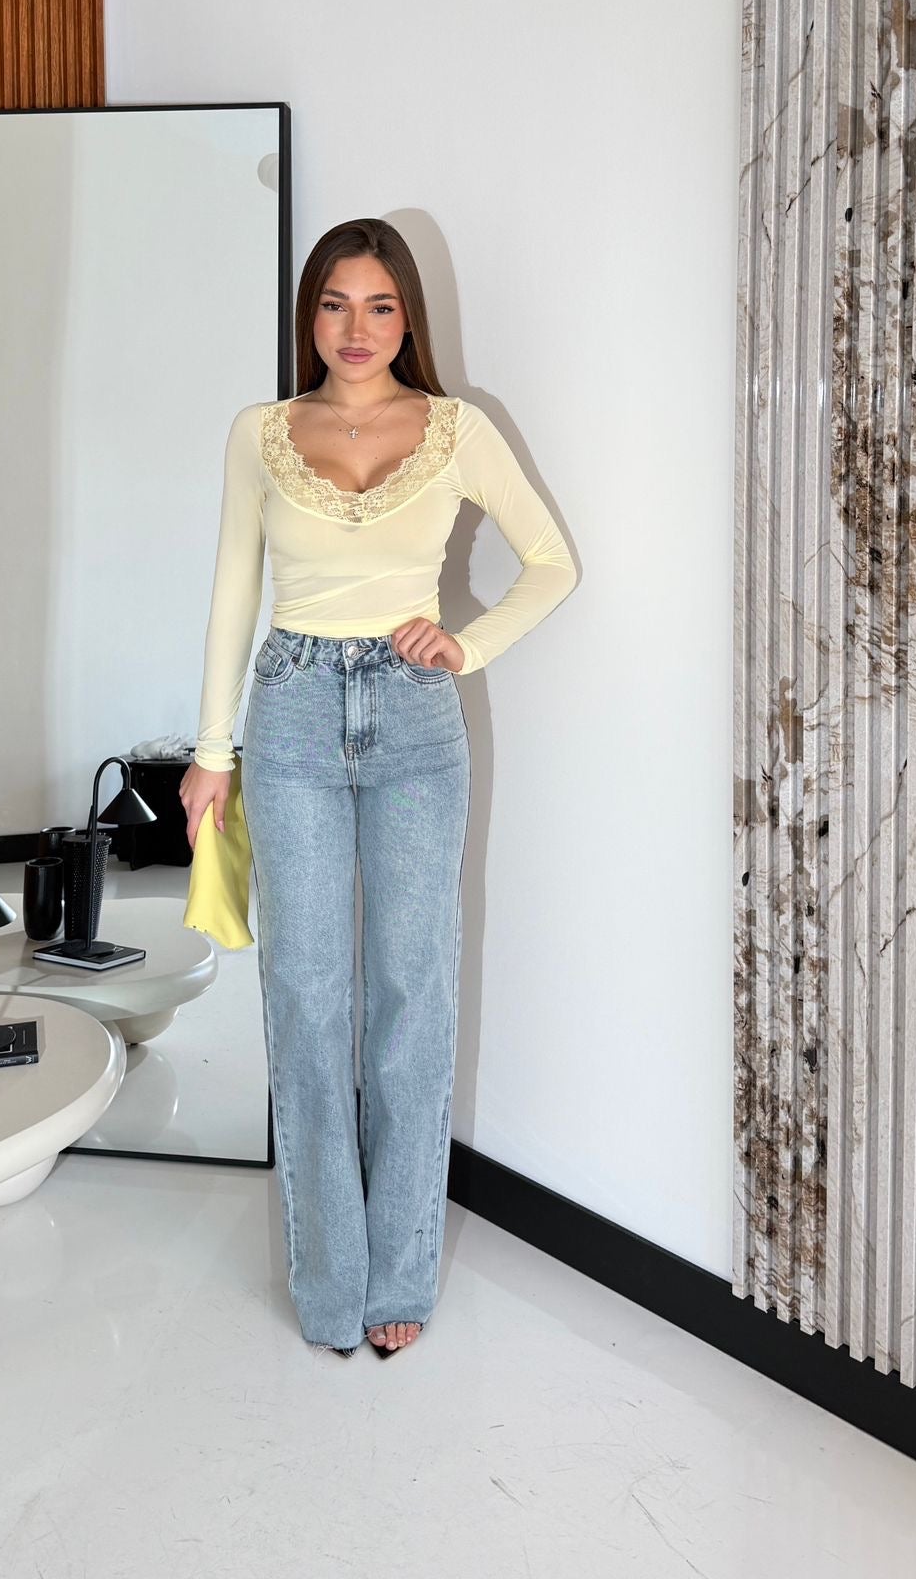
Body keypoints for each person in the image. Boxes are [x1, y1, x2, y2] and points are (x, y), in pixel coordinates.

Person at [179, 218, 578, 1358]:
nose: (355, 329)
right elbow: (233, 588)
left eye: (380, 305)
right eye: (334, 303)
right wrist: (212, 751)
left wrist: (466, 642)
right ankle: (327, 1274)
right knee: (306, 995)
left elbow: (551, 563)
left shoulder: (457, 430)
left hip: (412, 721)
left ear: (408, 317)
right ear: (309, 313)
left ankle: (398, 1269)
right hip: (293, 715)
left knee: (411, 992)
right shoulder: (260, 433)